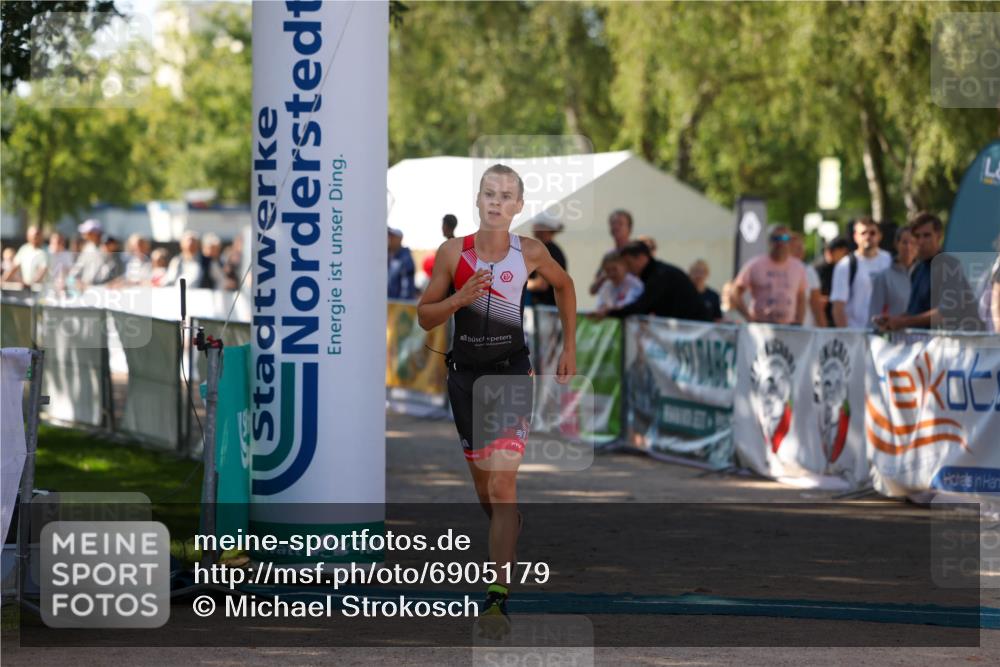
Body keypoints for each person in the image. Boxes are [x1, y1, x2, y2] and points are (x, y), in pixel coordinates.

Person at [417, 164, 576, 634]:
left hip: (510, 375)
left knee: (503, 489)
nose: (496, 201)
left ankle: (496, 598)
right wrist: (457, 300)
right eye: (489, 193)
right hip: (465, 379)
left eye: (507, 196)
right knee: (486, 493)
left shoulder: (529, 252)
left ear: (519, 207)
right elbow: (426, 317)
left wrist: (570, 347)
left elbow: (565, 287)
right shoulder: (452, 253)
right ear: (478, 199)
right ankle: (508, 527)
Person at [877, 212, 981, 332]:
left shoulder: (948, 265)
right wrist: (893, 320)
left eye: (927, 235)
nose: (921, 241)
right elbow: (915, 312)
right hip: (930, 345)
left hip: (961, 345)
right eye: (917, 236)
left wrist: (903, 322)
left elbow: (947, 313)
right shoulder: (917, 269)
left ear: (939, 236)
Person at [600, 240, 709, 321]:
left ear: (642, 258)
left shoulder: (659, 275)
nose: (627, 269)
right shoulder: (654, 274)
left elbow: (641, 306)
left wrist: (610, 313)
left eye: (629, 263)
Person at [731, 225, 808, 325]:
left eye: (784, 238)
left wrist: (799, 322)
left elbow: (801, 298)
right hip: (761, 326)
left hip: (789, 326)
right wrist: (748, 317)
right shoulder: (755, 264)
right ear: (769, 241)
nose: (780, 243)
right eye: (776, 238)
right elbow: (735, 292)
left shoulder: (798, 267)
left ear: (789, 242)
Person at [830, 217, 892, 328]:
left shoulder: (889, 260)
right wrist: (847, 336)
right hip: (856, 333)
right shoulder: (845, 265)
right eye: (863, 233)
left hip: (884, 333)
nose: (868, 237)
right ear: (855, 237)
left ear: (880, 236)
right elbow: (838, 306)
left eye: (872, 233)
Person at [869, 227, 918, 320]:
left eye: (913, 243)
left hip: (922, 333)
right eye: (904, 242)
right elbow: (874, 314)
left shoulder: (926, 275)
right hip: (893, 333)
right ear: (897, 244)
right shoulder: (883, 277)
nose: (908, 247)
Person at [588, 209, 633, 295]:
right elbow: (593, 290)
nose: (616, 227)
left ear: (629, 228)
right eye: (613, 223)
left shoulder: (637, 253)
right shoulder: (609, 256)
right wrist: (605, 276)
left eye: (620, 223)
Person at [526, 214, 567, 306]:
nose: (533, 227)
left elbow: (541, 284)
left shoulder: (548, 251)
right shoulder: (551, 250)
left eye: (537, 225)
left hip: (546, 309)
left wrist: (518, 283)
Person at [789, 233, 825, 327]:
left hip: (805, 332)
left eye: (802, 247)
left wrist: (824, 332)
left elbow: (816, 305)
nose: (801, 251)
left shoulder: (809, 271)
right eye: (796, 247)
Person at [815, 236, 850, 326]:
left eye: (832, 250)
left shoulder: (847, 268)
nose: (829, 253)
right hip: (823, 317)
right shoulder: (818, 268)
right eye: (828, 250)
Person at [68, 219, 108, 288]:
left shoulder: (107, 250)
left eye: (87, 232)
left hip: (101, 289)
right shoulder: (88, 248)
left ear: (95, 233)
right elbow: (76, 271)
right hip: (87, 289)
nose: (84, 235)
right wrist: (74, 281)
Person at [387, 227, 416, 300]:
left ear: (399, 239)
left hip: (398, 306)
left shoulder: (405, 258)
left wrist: (402, 303)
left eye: (392, 237)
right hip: (389, 304)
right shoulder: (388, 256)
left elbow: (407, 285)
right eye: (389, 236)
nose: (389, 239)